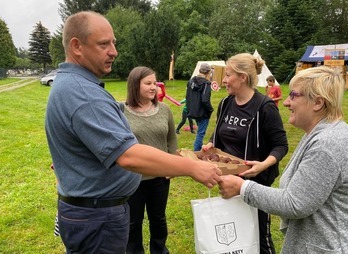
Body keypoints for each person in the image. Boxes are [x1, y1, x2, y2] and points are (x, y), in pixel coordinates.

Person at [45, 11, 222, 254]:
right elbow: (128, 155)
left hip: (92, 214)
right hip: (98, 220)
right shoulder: (83, 94)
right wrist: (193, 167)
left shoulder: (73, 85)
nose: (114, 51)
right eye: (103, 44)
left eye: (113, 43)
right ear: (76, 46)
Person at [218, 66, 348, 253]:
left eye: (293, 95)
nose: (286, 102)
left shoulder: (328, 144)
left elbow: (294, 203)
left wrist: (242, 188)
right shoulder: (321, 134)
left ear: (317, 103)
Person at [202, 53, 288, 254]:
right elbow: (219, 133)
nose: (223, 80)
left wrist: (262, 165)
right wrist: (210, 143)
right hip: (227, 180)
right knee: (236, 234)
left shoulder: (265, 107)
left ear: (243, 77)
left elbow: (281, 145)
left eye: (228, 75)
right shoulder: (225, 103)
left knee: (260, 238)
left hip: (255, 184)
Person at [122, 66, 176, 254]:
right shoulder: (121, 111)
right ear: (135, 85)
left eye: (155, 83)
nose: (154, 87)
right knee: (133, 222)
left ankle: (159, 250)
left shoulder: (164, 110)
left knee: (158, 219)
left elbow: (171, 138)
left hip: (160, 177)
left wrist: (172, 164)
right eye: (148, 83)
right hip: (132, 178)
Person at [186, 63, 214, 151]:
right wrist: (210, 109)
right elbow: (205, 100)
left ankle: (199, 148)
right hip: (202, 112)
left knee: (199, 132)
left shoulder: (191, 81)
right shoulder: (206, 84)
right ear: (208, 72)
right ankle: (196, 153)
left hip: (193, 111)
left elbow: (188, 96)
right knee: (200, 134)